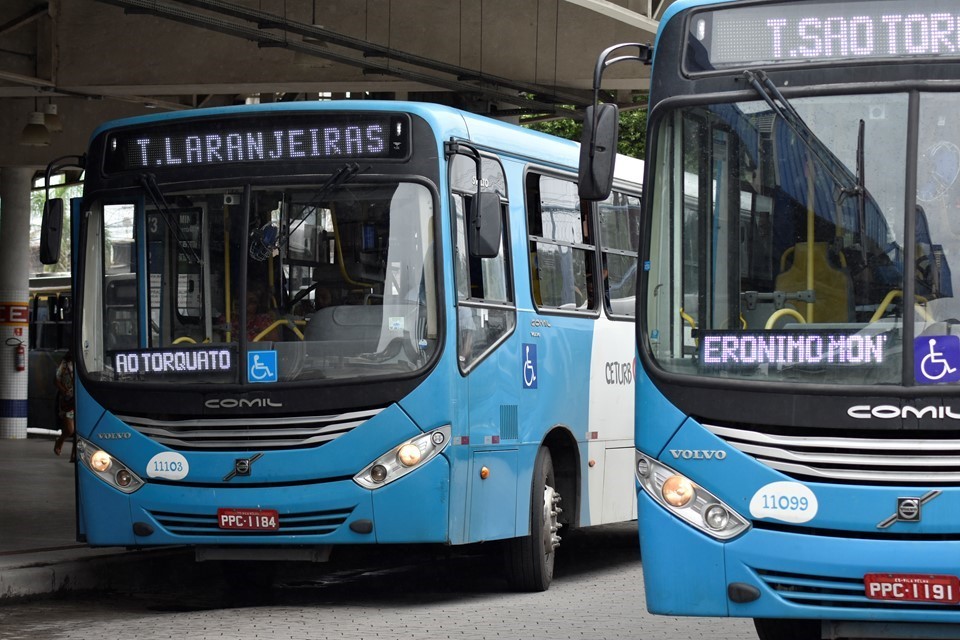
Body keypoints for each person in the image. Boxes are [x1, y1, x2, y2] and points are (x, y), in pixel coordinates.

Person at [53, 350, 76, 462]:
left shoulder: (84, 364)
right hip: (68, 401)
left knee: (78, 431)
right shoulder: (65, 364)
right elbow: (56, 380)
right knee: (70, 430)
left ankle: (74, 455)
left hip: (81, 400)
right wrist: (64, 391)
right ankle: (60, 440)